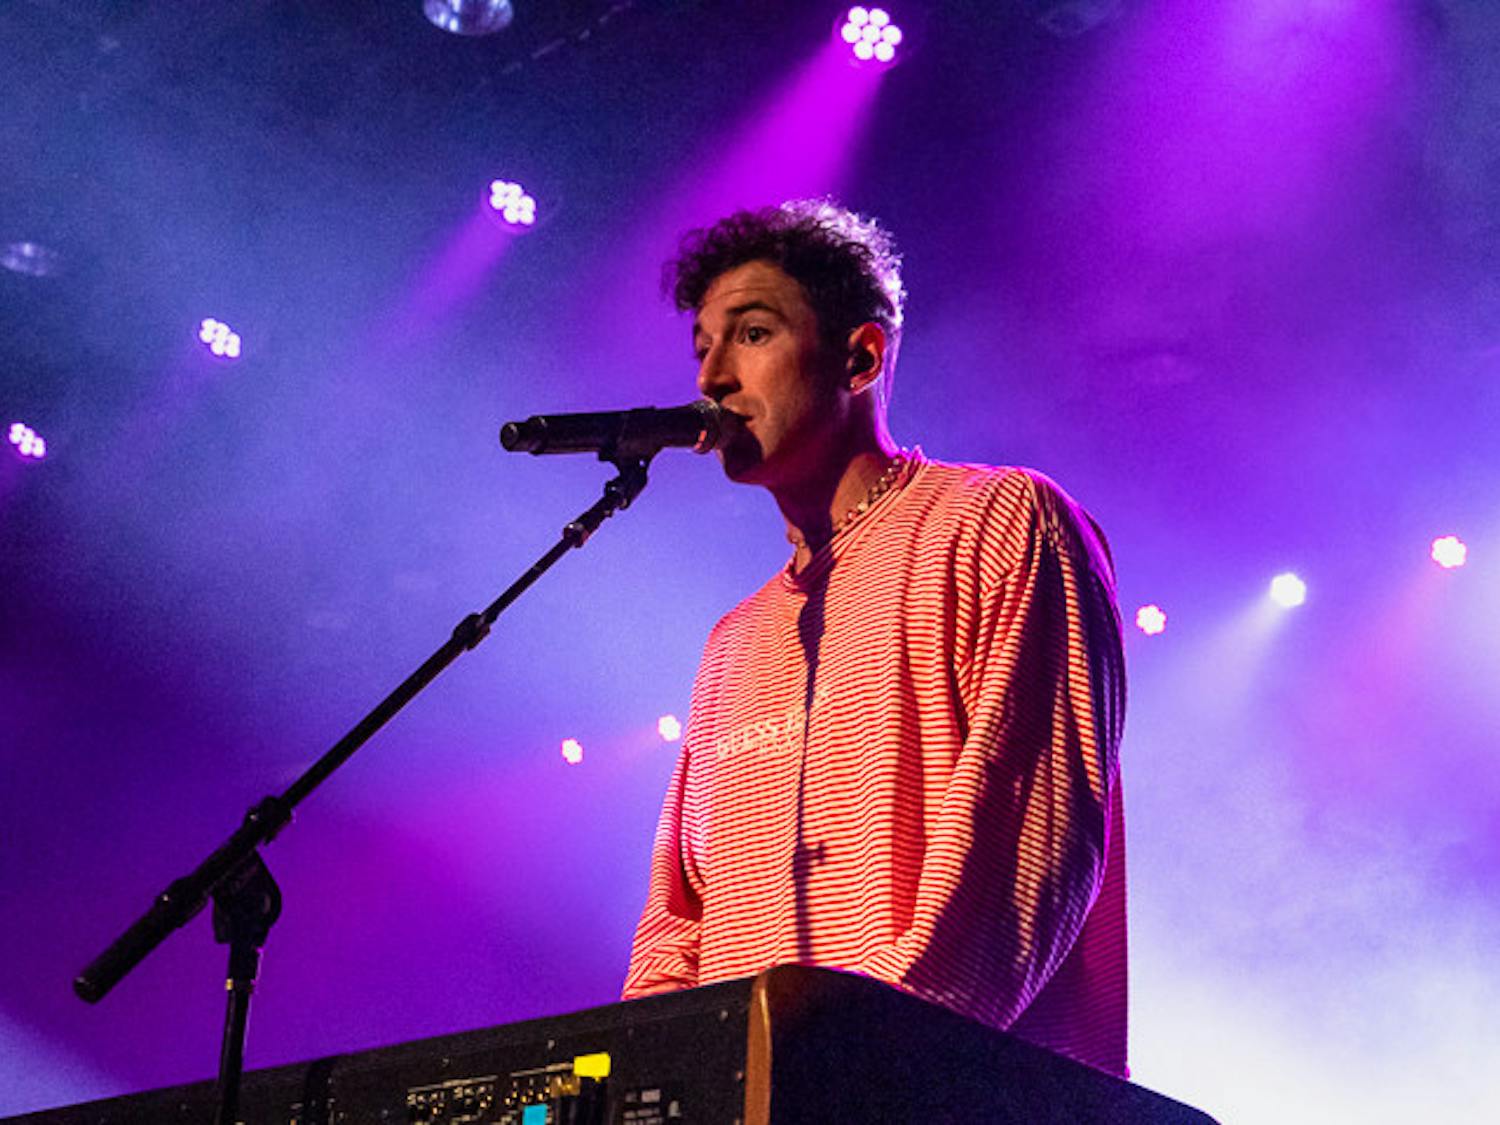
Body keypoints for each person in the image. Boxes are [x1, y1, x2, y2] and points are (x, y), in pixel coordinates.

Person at [621, 199, 1128, 1077]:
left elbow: (1022, 858)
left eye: (752, 333)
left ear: (859, 356)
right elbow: (678, 923)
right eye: (701, 347)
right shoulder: (732, 641)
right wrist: (648, 1076)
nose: (711, 378)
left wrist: (847, 1070)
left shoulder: (1003, 522)